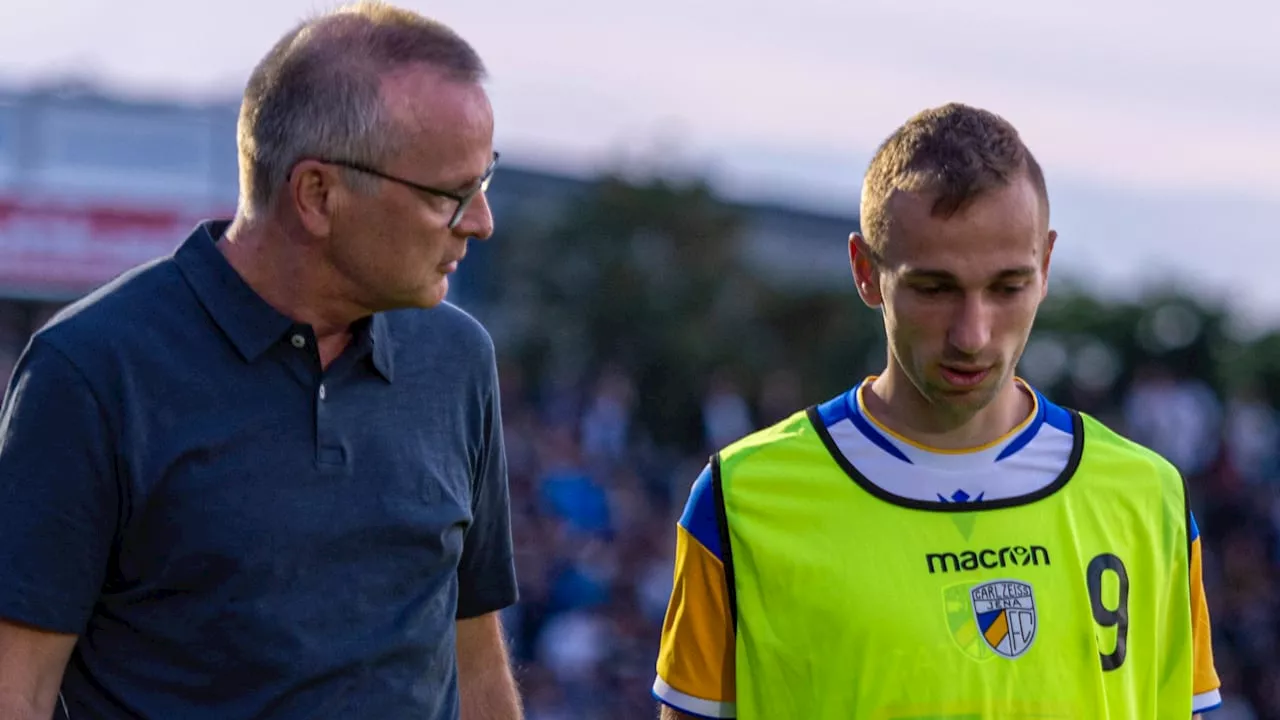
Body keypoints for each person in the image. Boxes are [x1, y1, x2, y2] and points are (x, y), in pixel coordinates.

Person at [0, 3, 522, 719]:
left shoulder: (458, 360)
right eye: (450, 195)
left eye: (484, 180)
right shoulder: (90, 370)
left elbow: (478, 664)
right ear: (316, 194)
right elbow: (14, 688)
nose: (482, 220)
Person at [652, 103, 1223, 719]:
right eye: (934, 288)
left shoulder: (1149, 497)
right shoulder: (742, 500)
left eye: (1008, 287)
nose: (973, 334)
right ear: (866, 272)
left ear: (1047, 266)